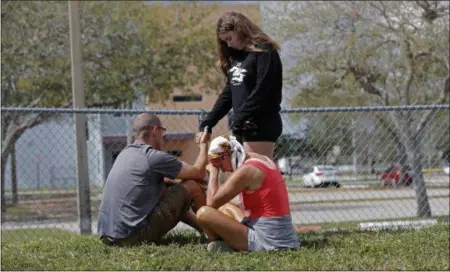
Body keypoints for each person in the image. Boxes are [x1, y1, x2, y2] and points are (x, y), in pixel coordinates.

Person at [97, 113, 209, 247]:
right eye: (162, 131)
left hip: (108, 237)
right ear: (155, 131)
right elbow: (198, 172)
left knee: (171, 191)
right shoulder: (153, 157)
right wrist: (204, 146)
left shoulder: (125, 154)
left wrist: (177, 184)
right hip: (134, 237)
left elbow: (167, 189)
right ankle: (212, 233)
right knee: (191, 186)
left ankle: (203, 229)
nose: (163, 137)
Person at [196, 11, 284, 160]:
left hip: (260, 124)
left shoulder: (264, 50)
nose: (228, 44)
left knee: (257, 175)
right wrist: (208, 123)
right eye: (224, 41)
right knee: (245, 176)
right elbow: (229, 93)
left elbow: (263, 89)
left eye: (229, 38)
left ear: (241, 30)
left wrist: (239, 117)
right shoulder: (237, 57)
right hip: (242, 125)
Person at [196, 135, 300, 252]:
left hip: (269, 241)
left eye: (220, 165)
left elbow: (211, 203)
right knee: (226, 208)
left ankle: (224, 244)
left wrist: (214, 172)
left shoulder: (247, 170)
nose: (223, 170)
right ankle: (228, 243)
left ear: (228, 155)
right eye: (219, 168)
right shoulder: (261, 159)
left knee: (203, 213)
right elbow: (234, 201)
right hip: (284, 237)